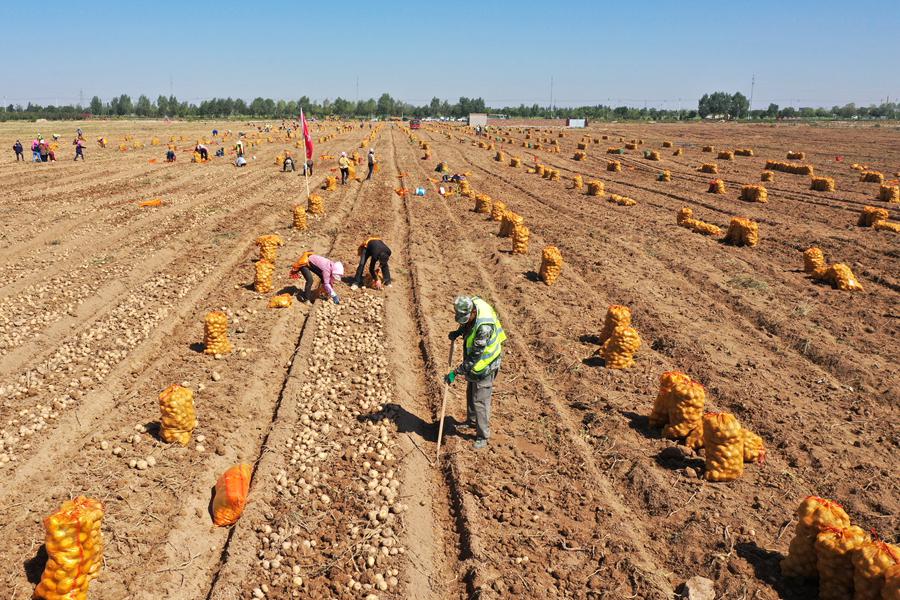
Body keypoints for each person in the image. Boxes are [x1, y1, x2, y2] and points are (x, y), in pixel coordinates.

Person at [445, 295, 507, 449]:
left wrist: (455, 372)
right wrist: (459, 332)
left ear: (472, 312)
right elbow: (468, 325)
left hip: (486, 364)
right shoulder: (473, 303)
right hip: (476, 363)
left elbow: (474, 358)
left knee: (480, 400)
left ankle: (482, 435)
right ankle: (471, 421)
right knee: (470, 391)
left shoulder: (484, 327)